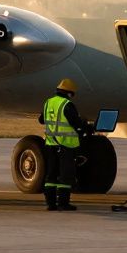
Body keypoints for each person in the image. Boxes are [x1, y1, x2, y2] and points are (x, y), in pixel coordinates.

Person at [38, 78, 90, 211]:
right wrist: (87, 127)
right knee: (66, 175)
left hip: (50, 143)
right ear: (69, 93)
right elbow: (76, 123)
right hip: (66, 145)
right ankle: (63, 203)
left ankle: (50, 203)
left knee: (51, 174)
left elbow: (41, 120)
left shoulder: (48, 102)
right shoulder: (67, 104)